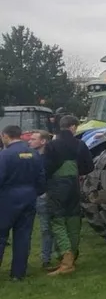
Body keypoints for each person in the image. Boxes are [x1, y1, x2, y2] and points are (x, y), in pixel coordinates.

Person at [42, 115, 93, 276]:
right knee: (73, 220)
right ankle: (72, 256)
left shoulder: (52, 145)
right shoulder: (80, 144)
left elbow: (46, 167)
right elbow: (88, 167)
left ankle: (66, 259)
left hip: (57, 186)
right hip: (74, 186)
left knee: (57, 221)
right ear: (73, 127)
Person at [0, 124, 47, 281]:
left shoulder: (5, 155)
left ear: (5, 136)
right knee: (23, 237)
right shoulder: (34, 154)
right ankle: (18, 274)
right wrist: (35, 193)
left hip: (7, 199)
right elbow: (41, 178)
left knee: (1, 236)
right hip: (29, 198)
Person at [28, 130, 54, 269]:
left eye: (33, 139)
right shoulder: (30, 156)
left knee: (46, 228)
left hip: (43, 195)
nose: (29, 141)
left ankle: (46, 257)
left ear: (43, 141)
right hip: (31, 195)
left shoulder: (49, 159)